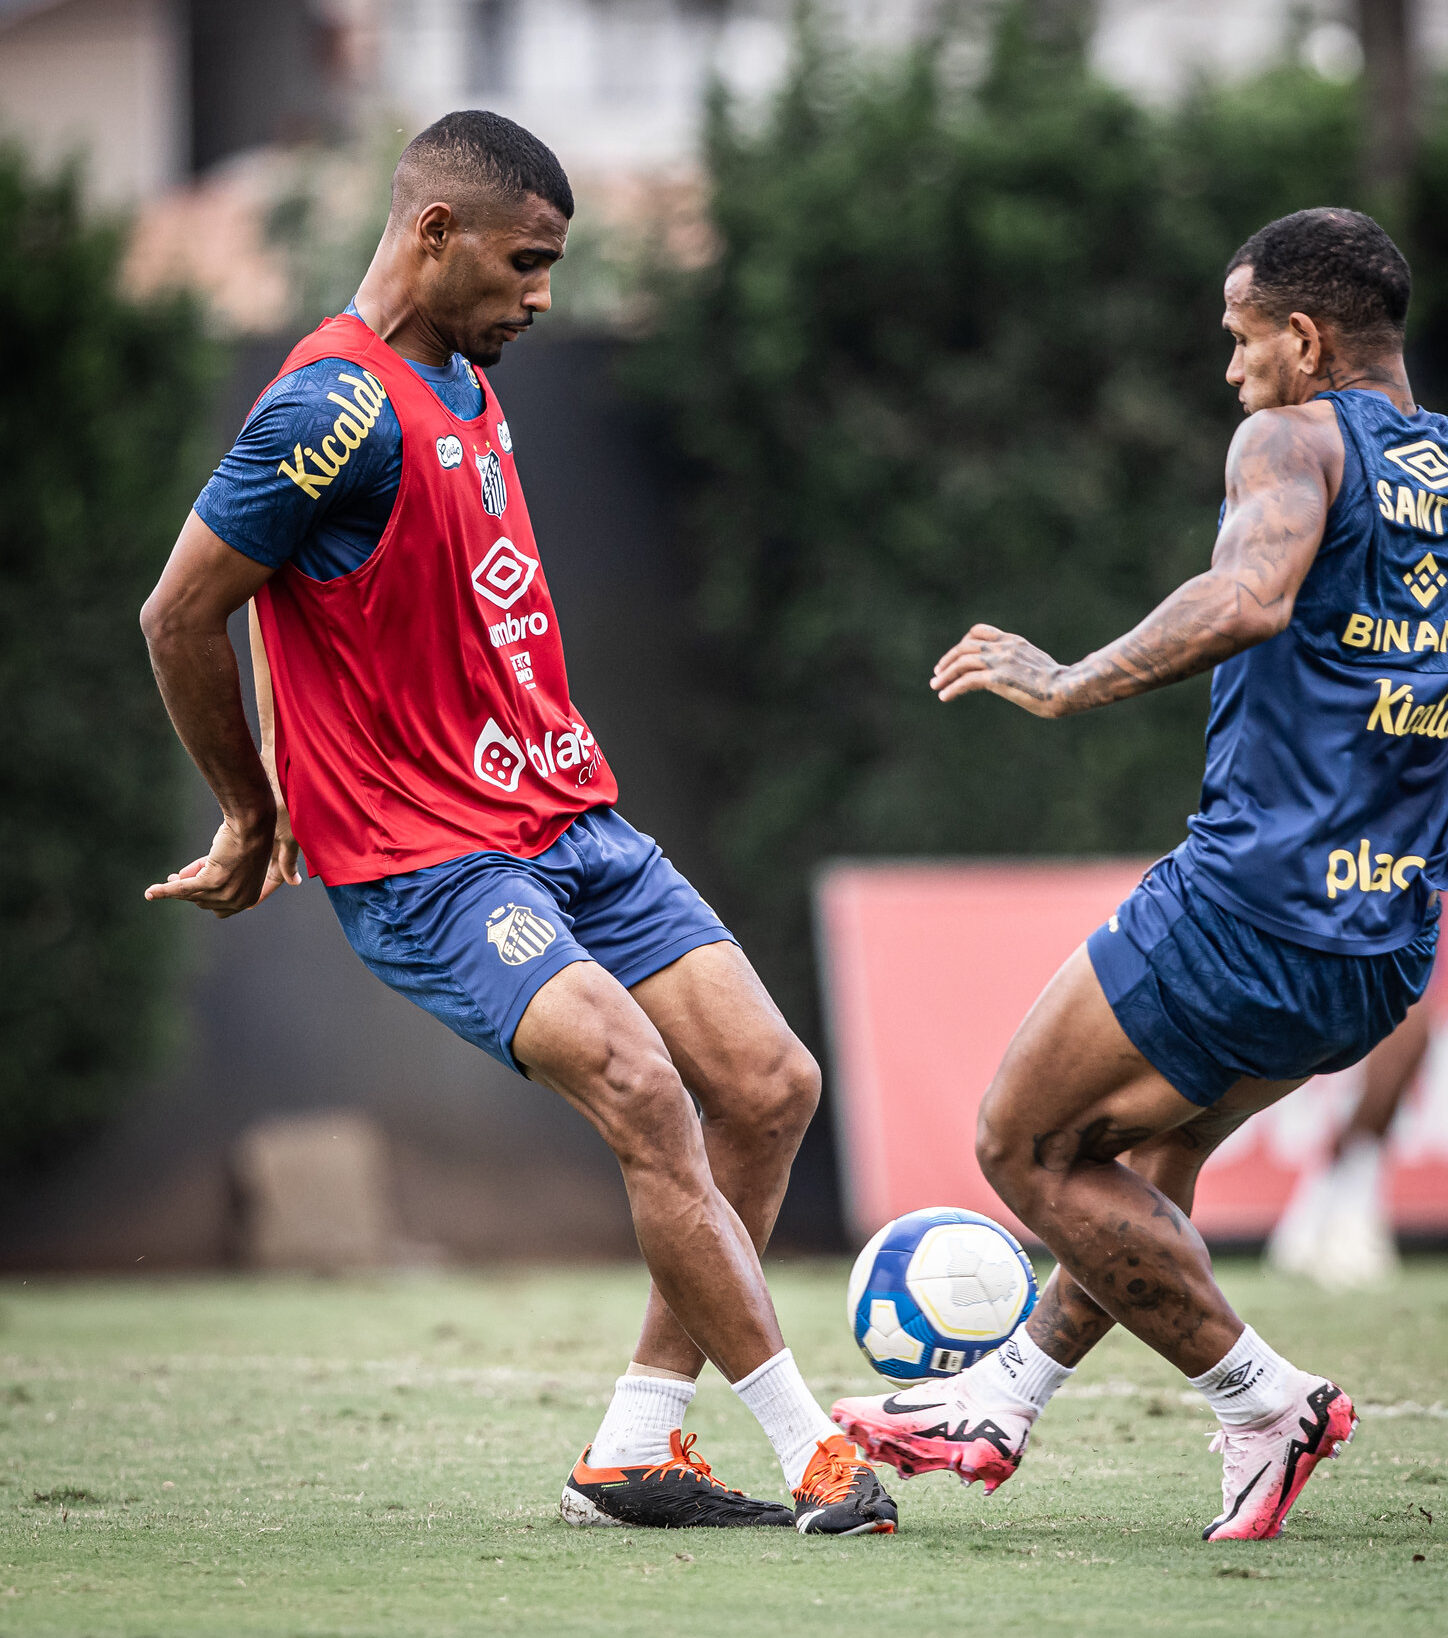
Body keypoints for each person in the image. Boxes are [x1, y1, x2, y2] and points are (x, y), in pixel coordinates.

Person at [140, 110, 896, 1537]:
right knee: (641, 1086)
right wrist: (254, 808)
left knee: (769, 1084)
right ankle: (813, 1448)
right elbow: (183, 609)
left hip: (571, 814)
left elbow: (342, 612)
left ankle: (633, 1444)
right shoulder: (329, 407)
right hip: (433, 859)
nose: (545, 296)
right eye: (528, 261)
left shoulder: (462, 374)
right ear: (434, 235)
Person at [832, 207, 1448, 1541]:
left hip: (1250, 903)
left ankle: (1260, 1395)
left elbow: (1247, 596)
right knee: (1146, 1165)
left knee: (1024, 1142)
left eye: (1237, 341)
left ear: (1301, 336)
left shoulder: (1289, 436)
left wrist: (1065, 678)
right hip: (1382, 941)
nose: (1229, 370)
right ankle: (1006, 1396)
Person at [1266, 710, 1448, 1287]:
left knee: (1417, 1027)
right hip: (1330, 851)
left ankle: (1351, 1199)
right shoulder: (1338, 633)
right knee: (1320, 1032)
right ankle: (1326, 1198)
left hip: (1419, 855)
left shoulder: (1447, 633)